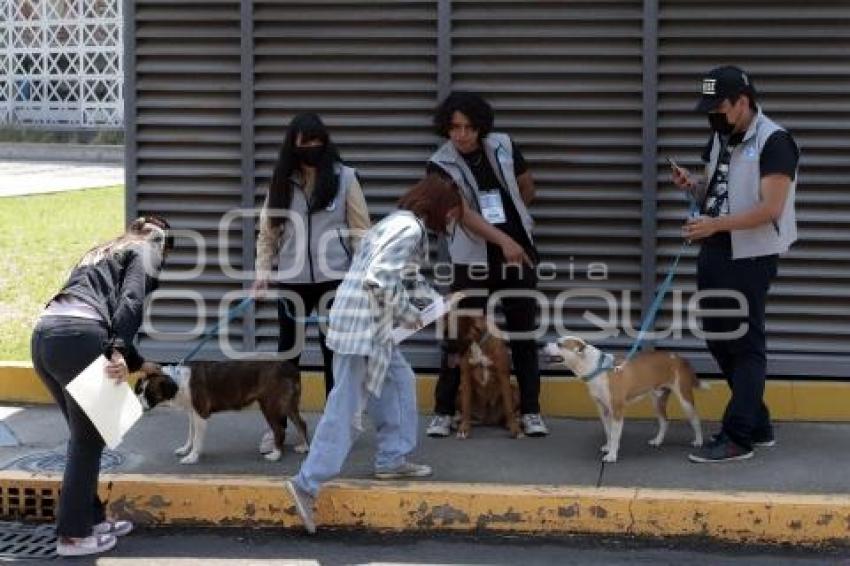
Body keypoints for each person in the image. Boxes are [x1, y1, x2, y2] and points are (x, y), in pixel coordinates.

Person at [284, 174, 464, 534]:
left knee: (399, 381)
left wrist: (437, 304)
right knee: (346, 408)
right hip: (363, 328)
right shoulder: (409, 230)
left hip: (367, 325)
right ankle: (306, 483)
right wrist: (414, 316)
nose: (453, 221)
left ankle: (392, 457)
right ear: (438, 206)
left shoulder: (396, 224)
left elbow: (408, 277)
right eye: (453, 213)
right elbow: (380, 279)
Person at [671, 65, 798, 463]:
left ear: (743, 102)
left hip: (751, 254)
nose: (713, 115)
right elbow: (719, 188)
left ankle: (738, 436)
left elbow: (770, 207)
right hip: (716, 248)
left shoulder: (774, 141)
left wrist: (714, 224)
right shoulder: (720, 136)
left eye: (719, 107)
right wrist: (692, 184)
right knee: (717, 336)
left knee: (745, 341)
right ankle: (756, 422)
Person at [30, 216, 172, 556]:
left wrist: (139, 363)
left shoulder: (102, 251)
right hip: (80, 339)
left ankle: (90, 519)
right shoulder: (145, 250)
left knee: (87, 438)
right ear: (161, 243)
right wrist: (120, 351)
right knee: (89, 438)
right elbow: (131, 301)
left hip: (45, 336)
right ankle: (73, 536)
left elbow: (97, 311)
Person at [423, 91, 548, 438]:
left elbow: (526, 184)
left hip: (516, 254)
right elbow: (462, 213)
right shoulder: (439, 164)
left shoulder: (504, 145)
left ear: (481, 128)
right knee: (458, 334)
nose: (462, 135)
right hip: (471, 257)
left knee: (523, 330)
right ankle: (444, 411)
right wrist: (502, 239)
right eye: (454, 128)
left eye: (469, 127)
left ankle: (532, 411)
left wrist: (515, 224)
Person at [253, 113, 371, 453]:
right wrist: (263, 273)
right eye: (305, 143)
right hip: (291, 282)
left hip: (336, 281)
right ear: (293, 146)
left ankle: (337, 428)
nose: (312, 149)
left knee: (335, 355)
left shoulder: (345, 178)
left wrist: (364, 278)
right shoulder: (280, 181)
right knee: (286, 358)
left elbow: (362, 231)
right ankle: (278, 428)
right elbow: (267, 235)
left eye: (318, 142)